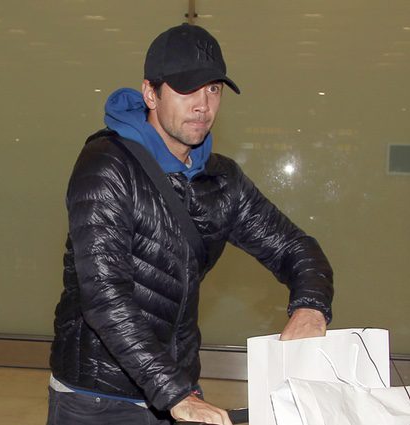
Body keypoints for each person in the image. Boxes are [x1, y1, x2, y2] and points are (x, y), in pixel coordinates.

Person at [47, 23, 333, 425]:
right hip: (98, 396)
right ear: (151, 92)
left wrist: (311, 307)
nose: (203, 104)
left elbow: (294, 246)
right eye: (187, 89)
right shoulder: (107, 166)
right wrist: (176, 393)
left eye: (213, 89)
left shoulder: (221, 180)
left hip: (172, 390)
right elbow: (105, 296)